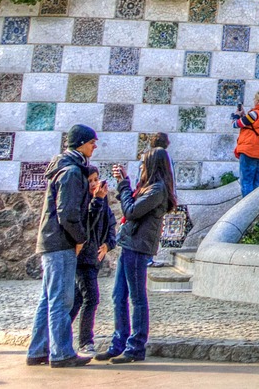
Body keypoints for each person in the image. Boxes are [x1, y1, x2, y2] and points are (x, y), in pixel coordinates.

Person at [28, 124, 96, 367]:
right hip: (60, 243)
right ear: (80, 144)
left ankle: (38, 350)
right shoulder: (71, 172)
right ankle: (61, 353)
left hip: (52, 241)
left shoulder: (64, 168)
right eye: (91, 142)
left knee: (48, 299)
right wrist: (80, 238)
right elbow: (67, 213)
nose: (94, 146)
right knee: (61, 300)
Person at [101, 146, 172, 364]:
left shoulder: (157, 190)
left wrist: (123, 185)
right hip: (130, 244)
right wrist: (125, 183)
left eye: (143, 162)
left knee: (136, 297)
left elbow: (131, 211)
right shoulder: (149, 187)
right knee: (118, 296)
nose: (141, 166)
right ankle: (119, 343)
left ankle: (136, 346)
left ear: (151, 165)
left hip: (138, 247)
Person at [69, 166, 114, 355]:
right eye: (90, 181)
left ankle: (55, 336)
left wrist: (107, 245)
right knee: (91, 298)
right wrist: (97, 200)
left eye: (96, 179)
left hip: (94, 259)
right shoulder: (84, 202)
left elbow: (110, 226)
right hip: (83, 259)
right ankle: (85, 342)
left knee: (78, 300)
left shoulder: (103, 203)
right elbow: (89, 223)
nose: (95, 184)